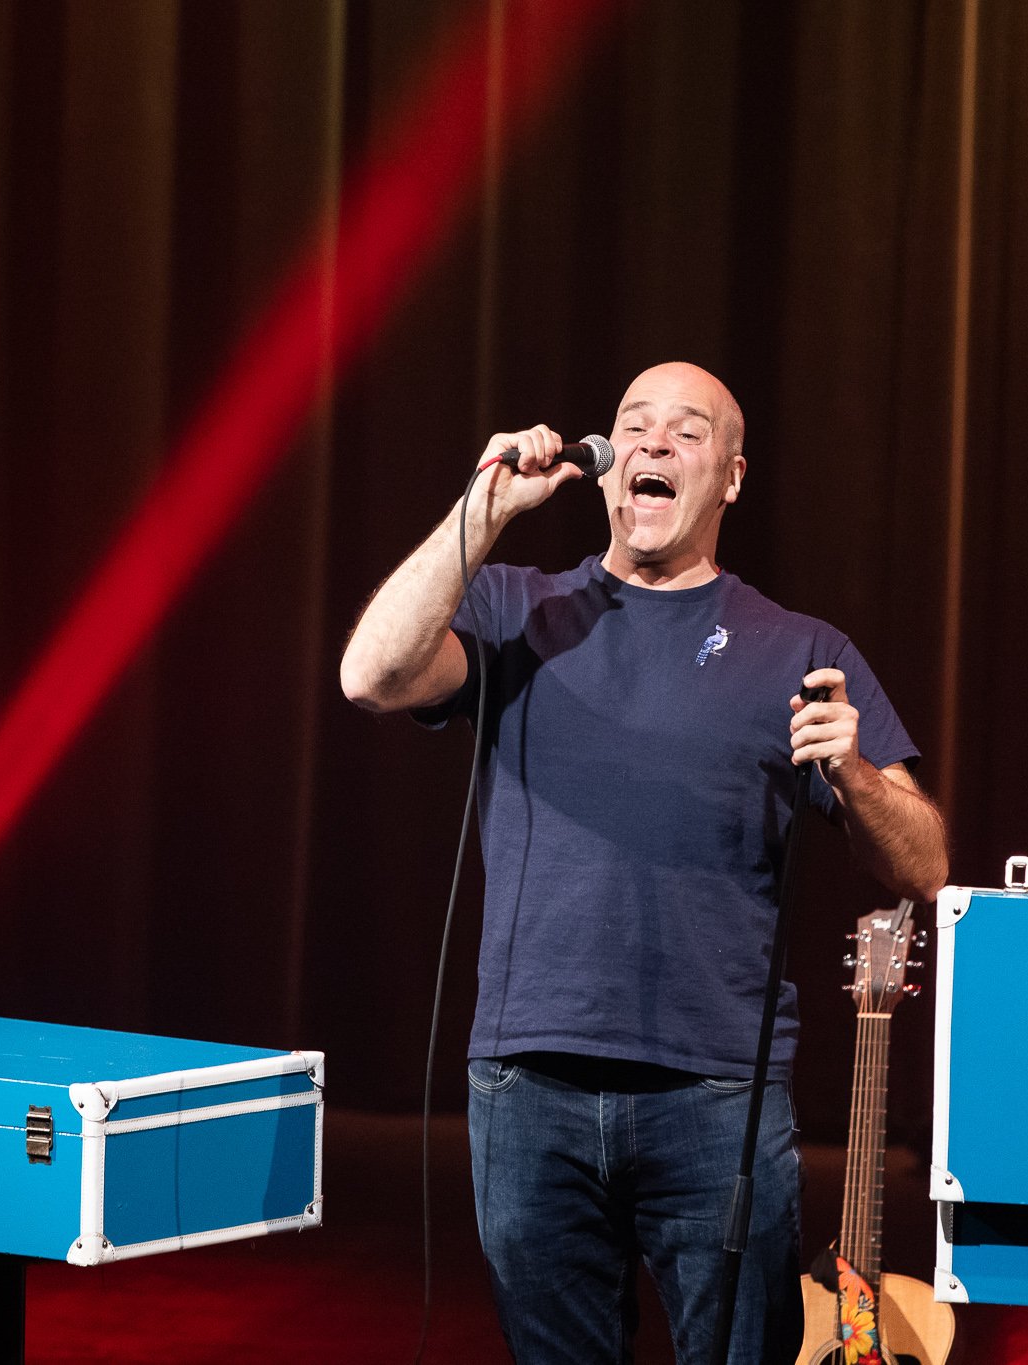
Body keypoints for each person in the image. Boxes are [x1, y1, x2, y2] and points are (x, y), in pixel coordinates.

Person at [340, 362, 947, 1364]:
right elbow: (371, 674)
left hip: (715, 1096)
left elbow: (923, 866)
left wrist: (853, 776)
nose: (654, 442)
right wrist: (481, 513)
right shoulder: (519, 609)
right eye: (633, 424)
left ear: (732, 477)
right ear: (607, 459)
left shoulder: (799, 649)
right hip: (528, 1084)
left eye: (687, 431)